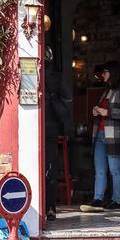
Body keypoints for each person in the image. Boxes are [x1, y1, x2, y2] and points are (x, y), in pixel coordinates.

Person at [81, 60, 120, 212]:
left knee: (115, 170)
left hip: (115, 136)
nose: (102, 75)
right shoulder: (106, 91)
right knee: (100, 170)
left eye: (105, 72)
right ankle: (98, 199)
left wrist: (107, 112)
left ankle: (116, 200)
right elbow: (103, 111)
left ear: (113, 73)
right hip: (100, 134)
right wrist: (96, 111)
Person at [44, 46, 73, 221]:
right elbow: (68, 96)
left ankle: (35, 208)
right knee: (51, 170)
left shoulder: (30, 74)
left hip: (33, 127)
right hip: (52, 128)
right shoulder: (56, 76)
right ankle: (50, 209)